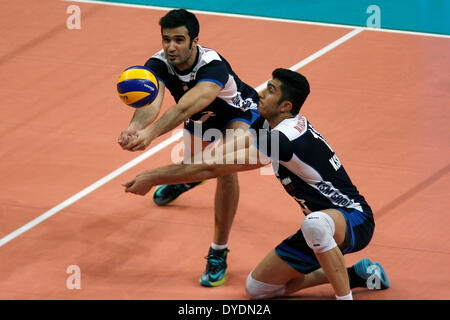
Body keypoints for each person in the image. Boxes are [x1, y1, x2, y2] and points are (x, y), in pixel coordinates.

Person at [122, 68, 390, 300]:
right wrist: (181, 166)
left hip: (353, 219)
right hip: (319, 229)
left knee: (315, 225)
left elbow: (213, 167)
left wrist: (152, 176)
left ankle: (345, 296)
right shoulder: (266, 124)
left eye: (270, 90)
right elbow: (215, 155)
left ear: (286, 106)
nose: (260, 92)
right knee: (258, 289)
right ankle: (357, 275)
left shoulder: (283, 141)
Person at [117, 9, 260, 287]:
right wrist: (135, 127)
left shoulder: (212, 66)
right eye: (166, 39)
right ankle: (190, 179)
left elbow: (186, 106)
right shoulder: (156, 64)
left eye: (179, 40)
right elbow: (150, 103)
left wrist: (151, 135)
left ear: (194, 41)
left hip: (239, 116)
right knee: (197, 166)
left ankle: (218, 251)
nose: (171, 47)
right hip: (201, 120)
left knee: (222, 169)